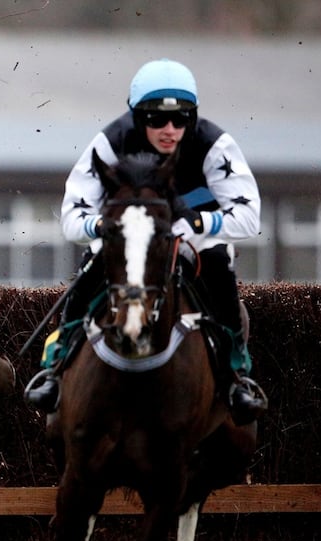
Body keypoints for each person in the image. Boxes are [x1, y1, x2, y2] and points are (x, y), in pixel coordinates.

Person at [24, 58, 268, 425]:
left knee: (218, 263)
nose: (170, 129)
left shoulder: (215, 144)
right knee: (92, 266)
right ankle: (56, 366)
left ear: (193, 117)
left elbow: (249, 216)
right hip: (129, 236)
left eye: (181, 118)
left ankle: (238, 375)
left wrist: (198, 224)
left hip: (192, 235)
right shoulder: (110, 141)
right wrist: (104, 228)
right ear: (138, 117)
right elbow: (73, 217)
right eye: (156, 119)